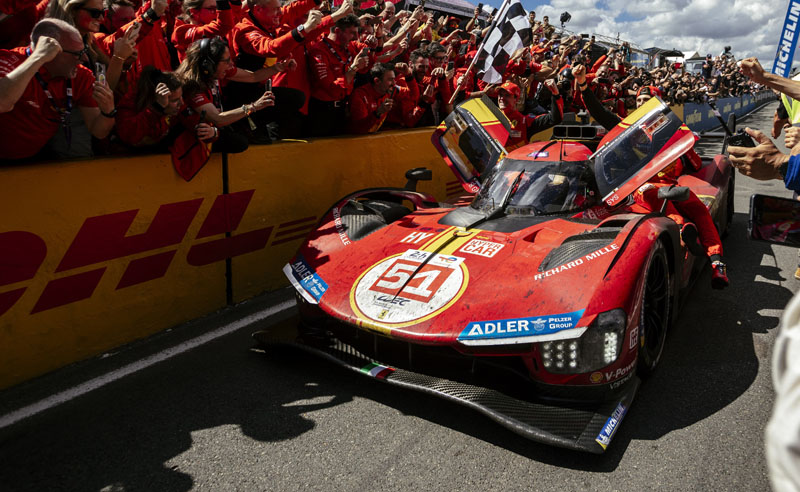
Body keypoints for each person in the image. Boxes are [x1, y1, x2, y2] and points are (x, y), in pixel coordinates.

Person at [572, 63, 729, 289]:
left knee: (701, 212)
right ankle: (684, 230)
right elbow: (600, 113)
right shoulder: (625, 130)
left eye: (646, 101)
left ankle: (717, 264)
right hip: (641, 190)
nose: (640, 104)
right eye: (637, 101)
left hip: (673, 188)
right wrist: (584, 86)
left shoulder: (672, 132)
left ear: (657, 107)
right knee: (669, 209)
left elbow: (693, 161)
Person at [0, 18, 116, 161]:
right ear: (48, 51)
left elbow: (98, 131)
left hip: (34, 159)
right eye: (77, 54)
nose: (85, 58)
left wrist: (108, 112)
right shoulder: (9, 60)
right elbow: (2, 102)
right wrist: (37, 59)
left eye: (84, 51)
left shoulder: (81, 75)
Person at [173, 36, 281, 153]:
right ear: (208, 64)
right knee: (239, 142)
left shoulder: (217, 70)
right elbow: (218, 119)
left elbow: (253, 76)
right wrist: (253, 106)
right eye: (227, 61)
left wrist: (278, 67)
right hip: (191, 139)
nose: (231, 64)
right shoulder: (192, 87)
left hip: (213, 130)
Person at [307, 12, 371, 136]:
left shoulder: (348, 47)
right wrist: (353, 69)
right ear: (337, 31)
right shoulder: (318, 51)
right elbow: (331, 88)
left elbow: (368, 65)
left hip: (342, 108)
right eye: (352, 33)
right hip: (322, 111)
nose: (355, 37)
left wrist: (376, 42)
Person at [496, 79, 562, 150]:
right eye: (500, 95)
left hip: (514, 159)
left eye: (507, 95)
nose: (502, 98)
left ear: (516, 99)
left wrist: (556, 95)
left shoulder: (525, 122)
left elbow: (554, 119)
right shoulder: (491, 115)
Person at [347, 62, 410, 134]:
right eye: (390, 79)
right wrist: (378, 113)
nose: (394, 83)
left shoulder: (390, 89)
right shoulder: (359, 96)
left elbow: (413, 95)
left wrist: (408, 74)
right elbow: (359, 130)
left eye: (394, 79)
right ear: (377, 81)